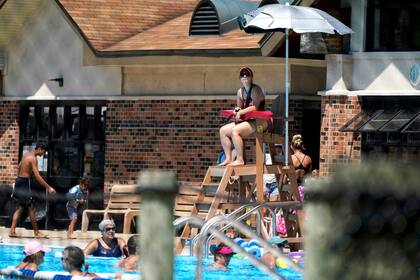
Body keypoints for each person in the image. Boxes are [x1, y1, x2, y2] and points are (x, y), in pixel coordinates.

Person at [218, 67, 267, 166]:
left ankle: (240, 160)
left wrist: (241, 112)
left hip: (260, 122)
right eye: (243, 76)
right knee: (223, 131)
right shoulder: (240, 91)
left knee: (235, 131)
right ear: (240, 78)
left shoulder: (256, 89)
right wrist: (236, 110)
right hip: (248, 121)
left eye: (247, 75)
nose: (245, 78)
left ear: (251, 77)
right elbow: (239, 107)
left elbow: (255, 107)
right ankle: (228, 158)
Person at [9, 142, 56, 238]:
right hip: (25, 183)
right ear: (39, 149)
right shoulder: (33, 159)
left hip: (19, 181)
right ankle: (36, 232)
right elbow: (37, 176)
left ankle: (12, 231)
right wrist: (49, 187)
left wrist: (17, 180)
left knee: (20, 207)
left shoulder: (26, 154)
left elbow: (19, 166)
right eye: (43, 151)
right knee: (31, 208)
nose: (43, 153)